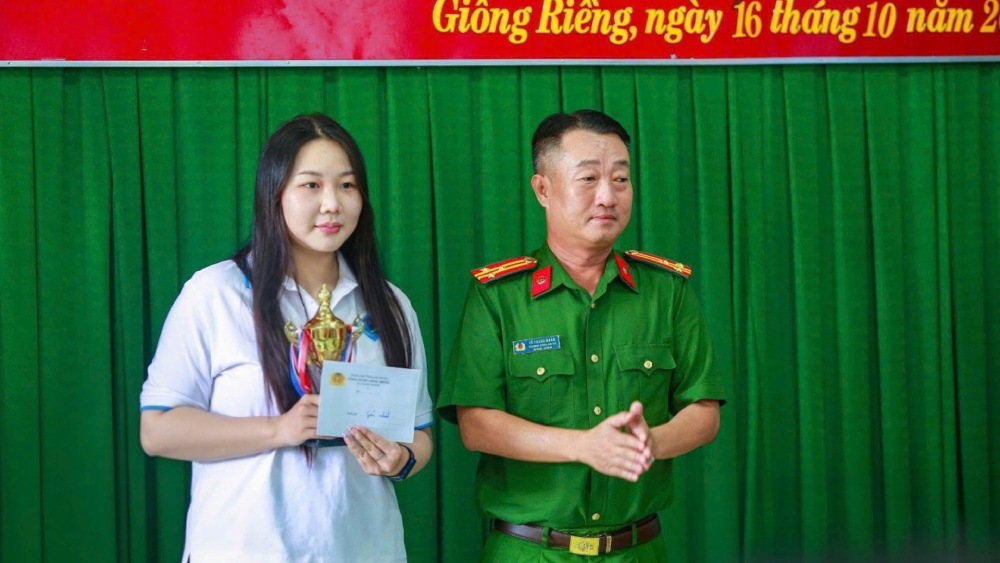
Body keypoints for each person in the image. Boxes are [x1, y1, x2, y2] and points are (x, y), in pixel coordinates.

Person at [140, 114, 433, 562]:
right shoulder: (215, 294)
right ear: (273, 194)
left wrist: (401, 460)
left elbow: (419, 432)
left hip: (365, 549)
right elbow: (158, 430)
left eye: (348, 186)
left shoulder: (391, 305)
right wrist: (279, 429)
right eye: (311, 185)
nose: (332, 204)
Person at [437, 109, 726, 561]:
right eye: (588, 179)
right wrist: (583, 447)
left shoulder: (666, 291)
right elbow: (476, 425)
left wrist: (652, 442)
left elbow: (704, 410)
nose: (608, 196)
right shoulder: (498, 296)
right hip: (530, 550)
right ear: (543, 189)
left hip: (638, 549)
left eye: (621, 179)